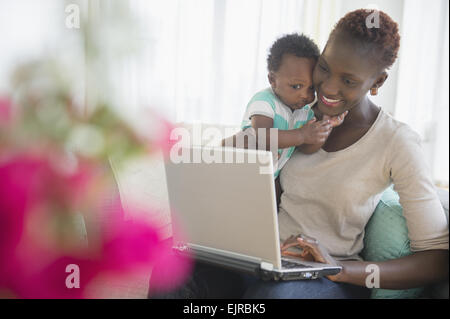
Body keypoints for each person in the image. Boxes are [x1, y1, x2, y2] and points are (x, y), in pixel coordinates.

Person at [149, 9, 449, 299]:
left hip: (330, 276)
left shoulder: (397, 141)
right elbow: (241, 162)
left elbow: (436, 259)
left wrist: (340, 268)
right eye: (325, 69)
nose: (328, 88)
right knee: (171, 268)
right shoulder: (295, 112)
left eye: (348, 81)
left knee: (274, 295)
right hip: (266, 260)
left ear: (378, 82)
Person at [225, 33, 347, 179]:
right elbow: (263, 136)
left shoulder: (305, 112)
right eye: (296, 86)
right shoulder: (265, 101)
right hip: (233, 169)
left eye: (311, 88)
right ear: (273, 80)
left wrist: (325, 127)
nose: (305, 95)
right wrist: (301, 135)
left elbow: (307, 148)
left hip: (262, 179)